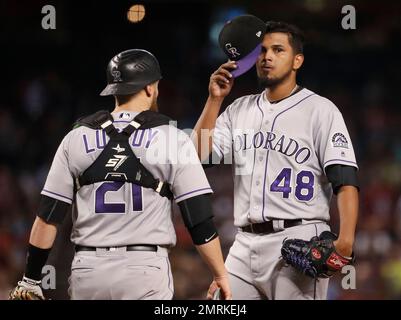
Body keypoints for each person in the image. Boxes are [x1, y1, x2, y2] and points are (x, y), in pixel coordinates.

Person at [9, 49, 231, 300]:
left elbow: (47, 218)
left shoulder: (75, 137)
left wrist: (31, 279)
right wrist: (220, 275)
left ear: (113, 89)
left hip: (88, 269)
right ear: (150, 88)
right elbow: (199, 222)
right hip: (143, 268)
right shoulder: (171, 138)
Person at [193, 19, 359, 300]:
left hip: (300, 237)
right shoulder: (239, 109)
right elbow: (196, 156)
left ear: (297, 60)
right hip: (243, 242)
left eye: (278, 50)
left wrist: (345, 241)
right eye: (262, 50)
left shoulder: (320, 110)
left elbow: (345, 180)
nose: (267, 56)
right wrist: (214, 100)